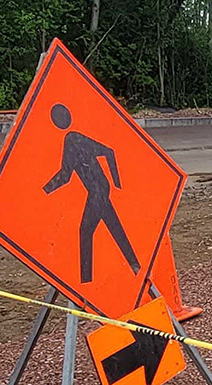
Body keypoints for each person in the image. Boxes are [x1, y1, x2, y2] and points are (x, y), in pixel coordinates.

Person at [41, 103, 140, 283]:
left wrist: (117, 182)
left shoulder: (73, 139)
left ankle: (86, 280)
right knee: (113, 226)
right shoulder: (72, 139)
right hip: (99, 188)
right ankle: (135, 265)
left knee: (86, 231)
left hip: (98, 189)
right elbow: (66, 176)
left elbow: (108, 152)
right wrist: (45, 190)